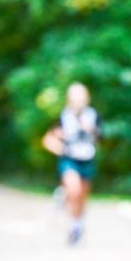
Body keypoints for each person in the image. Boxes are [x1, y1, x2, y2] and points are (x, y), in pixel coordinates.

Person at [42, 82, 100, 246]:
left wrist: (91, 130)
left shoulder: (93, 115)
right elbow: (48, 138)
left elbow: (101, 137)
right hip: (70, 159)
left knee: (82, 196)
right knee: (74, 191)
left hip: (87, 159)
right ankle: (64, 194)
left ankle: (76, 225)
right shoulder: (63, 116)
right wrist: (60, 148)